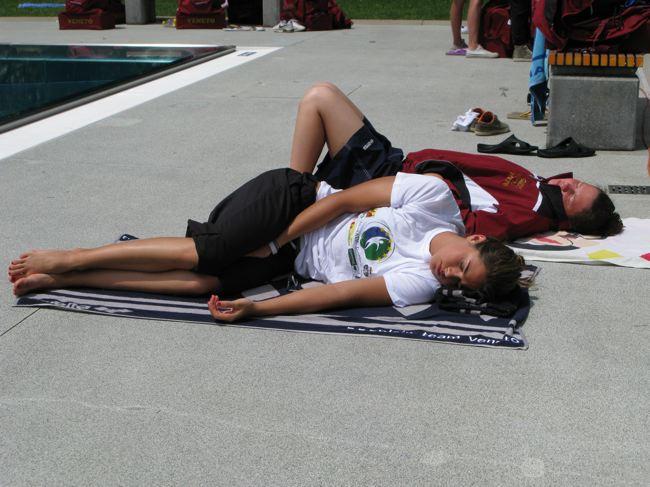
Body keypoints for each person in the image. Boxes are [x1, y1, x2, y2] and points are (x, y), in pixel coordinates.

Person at [8, 170, 524, 323]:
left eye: (460, 282)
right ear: (475, 238)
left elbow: (335, 295)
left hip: (289, 260)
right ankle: (72, 256)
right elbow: (344, 200)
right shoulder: (433, 198)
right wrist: (276, 238)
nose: (449, 274)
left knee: (203, 284)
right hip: (294, 203)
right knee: (209, 252)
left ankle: (69, 279)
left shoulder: (422, 284)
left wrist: (257, 307)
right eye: (463, 265)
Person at [289, 82, 623, 241]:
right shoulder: (540, 188)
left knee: (320, 98)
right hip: (400, 164)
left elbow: (468, 225)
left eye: (572, 195)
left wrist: (436, 183)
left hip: (392, 180)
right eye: (577, 183)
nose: (568, 184)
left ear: (567, 221)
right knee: (327, 95)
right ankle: (292, 193)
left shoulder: (529, 213)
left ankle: (290, 199)